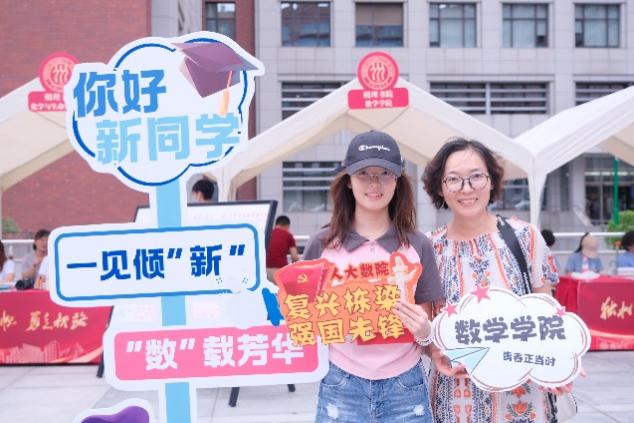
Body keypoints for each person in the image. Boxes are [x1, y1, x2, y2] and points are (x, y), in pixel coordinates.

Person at [422, 137, 567, 423]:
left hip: (524, 401)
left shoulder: (525, 238)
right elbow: (425, 331)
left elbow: (548, 318)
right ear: (440, 187)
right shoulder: (429, 249)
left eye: (476, 176)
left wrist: (560, 364)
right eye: (454, 179)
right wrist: (435, 348)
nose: (467, 189)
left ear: (492, 180)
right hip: (456, 401)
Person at [302, 130, 444, 422]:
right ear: (348, 180)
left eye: (385, 173)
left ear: (398, 180)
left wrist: (424, 330)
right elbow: (304, 315)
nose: (375, 183)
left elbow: (426, 322)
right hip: (340, 382)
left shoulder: (418, 245)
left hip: (405, 385)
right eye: (364, 173)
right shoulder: (321, 245)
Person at [266, 215, 299, 282]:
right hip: (280, 271)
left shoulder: (266, 234)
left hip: (264, 270)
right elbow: (294, 257)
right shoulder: (288, 235)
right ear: (287, 225)